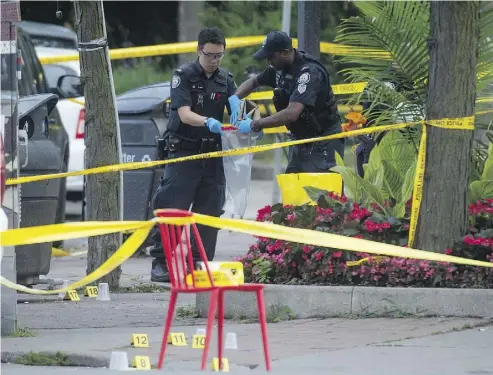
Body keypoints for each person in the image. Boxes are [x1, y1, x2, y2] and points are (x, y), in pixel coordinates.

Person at [149, 27, 240, 282]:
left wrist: (241, 113)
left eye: (219, 55)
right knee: (173, 208)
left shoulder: (225, 78)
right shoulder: (183, 76)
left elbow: (238, 107)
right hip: (185, 153)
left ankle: (200, 264)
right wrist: (209, 121)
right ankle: (162, 263)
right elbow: (185, 114)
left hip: (212, 155)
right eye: (210, 54)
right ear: (199, 49)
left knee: (210, 211)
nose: (214, 60)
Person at [230, 31, 345, 173]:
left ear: (285, 53)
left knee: (322, 192)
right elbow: (254, 82)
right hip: (300, 141)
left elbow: (292, 113)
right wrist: (235, 98)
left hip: (324, 142)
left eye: (271, 57)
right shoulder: (279, 69)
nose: (268, 62)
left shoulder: (309, 73)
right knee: (294, 189)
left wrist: (255, 124)